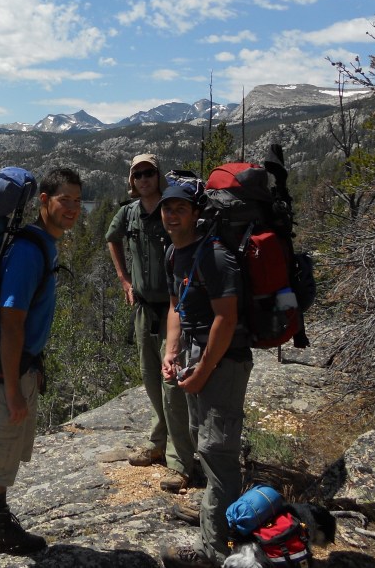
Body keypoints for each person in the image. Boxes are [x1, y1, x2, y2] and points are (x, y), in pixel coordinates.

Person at [0, 167, 84, 568]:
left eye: (79, 201)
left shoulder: (42, 244)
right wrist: (11, 389)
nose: (73, 209)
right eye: (65, 200)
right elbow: (11, 324)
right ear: (44, 201)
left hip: (19, 368)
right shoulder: (29, 251)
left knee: (0, 455)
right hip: (2, 373)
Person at [158, 178, 253, 568]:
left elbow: (226, 319)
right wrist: (171, 351)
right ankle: (218, 514)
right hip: (197, 354)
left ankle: (213, 552)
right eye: (167, 207)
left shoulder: (214, 255)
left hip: (223, 359)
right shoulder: (173, 253)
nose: (172, 214)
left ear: (198, 213)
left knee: (217, 450)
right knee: (204, 442)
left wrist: (202, 372)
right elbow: (176, 306)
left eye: (181, 207)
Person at [104, 154, 195, 492]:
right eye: (137, 174)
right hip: (144, 309)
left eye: (149, 173)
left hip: (176, 309)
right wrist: (124, 279)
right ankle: (159, 440)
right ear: (132, 181)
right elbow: (111, 238)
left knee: (172, 383)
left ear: (159, 176)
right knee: (150, 379)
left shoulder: (170, 210)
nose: (143, 179)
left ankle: (181, 460)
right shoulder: (128, 214)